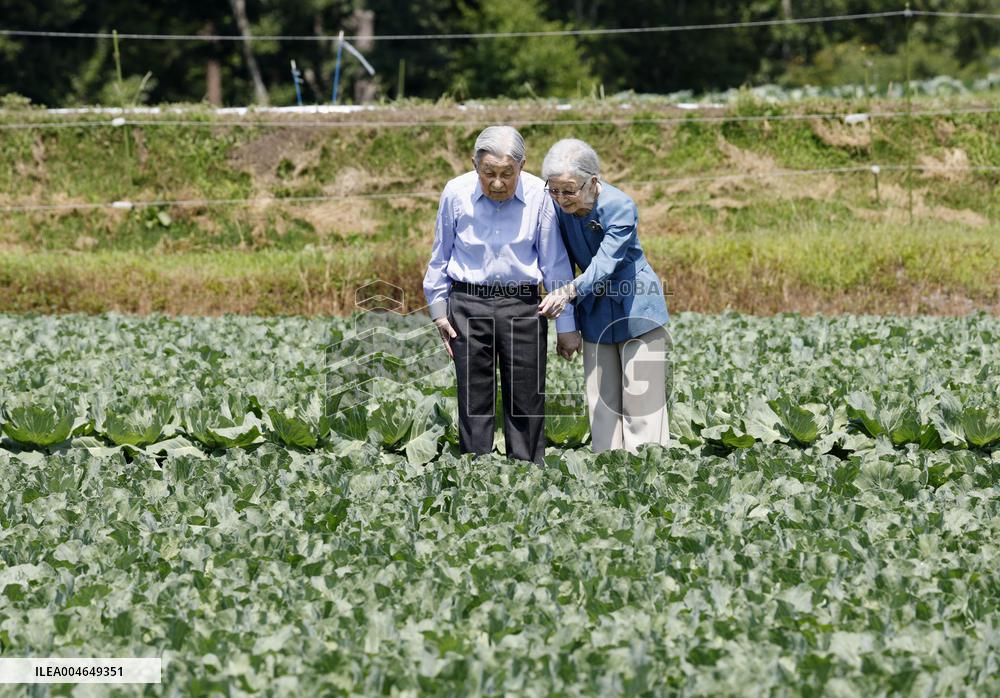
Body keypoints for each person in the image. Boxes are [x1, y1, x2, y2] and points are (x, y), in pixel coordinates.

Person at [423, 126, 580, 465]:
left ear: (522, 166)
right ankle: (475, 475)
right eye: (488, 173)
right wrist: (438, 312)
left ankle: (526, 474)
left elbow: (554, 263)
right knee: (473, 396)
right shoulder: (455, 192)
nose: (497, 183)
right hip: (466, 303)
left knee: (526, 397)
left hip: (523, 305)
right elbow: (440, 256)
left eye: (507, 173)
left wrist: (567, 327)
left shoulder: (541, 194)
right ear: (474, 165)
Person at [538, 138, 670, 454]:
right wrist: (567, 324)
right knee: (602, 405)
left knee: (643, 406)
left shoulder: (620, 206)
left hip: (636, 305)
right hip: (594, 308)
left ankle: (648, 478)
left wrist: (568, 291)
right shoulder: (558, 209)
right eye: (553, 190)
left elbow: (605, 263)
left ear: (593, 182)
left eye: (568, 190)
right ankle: (607, 480)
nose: (560, 198)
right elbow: (557, 258)